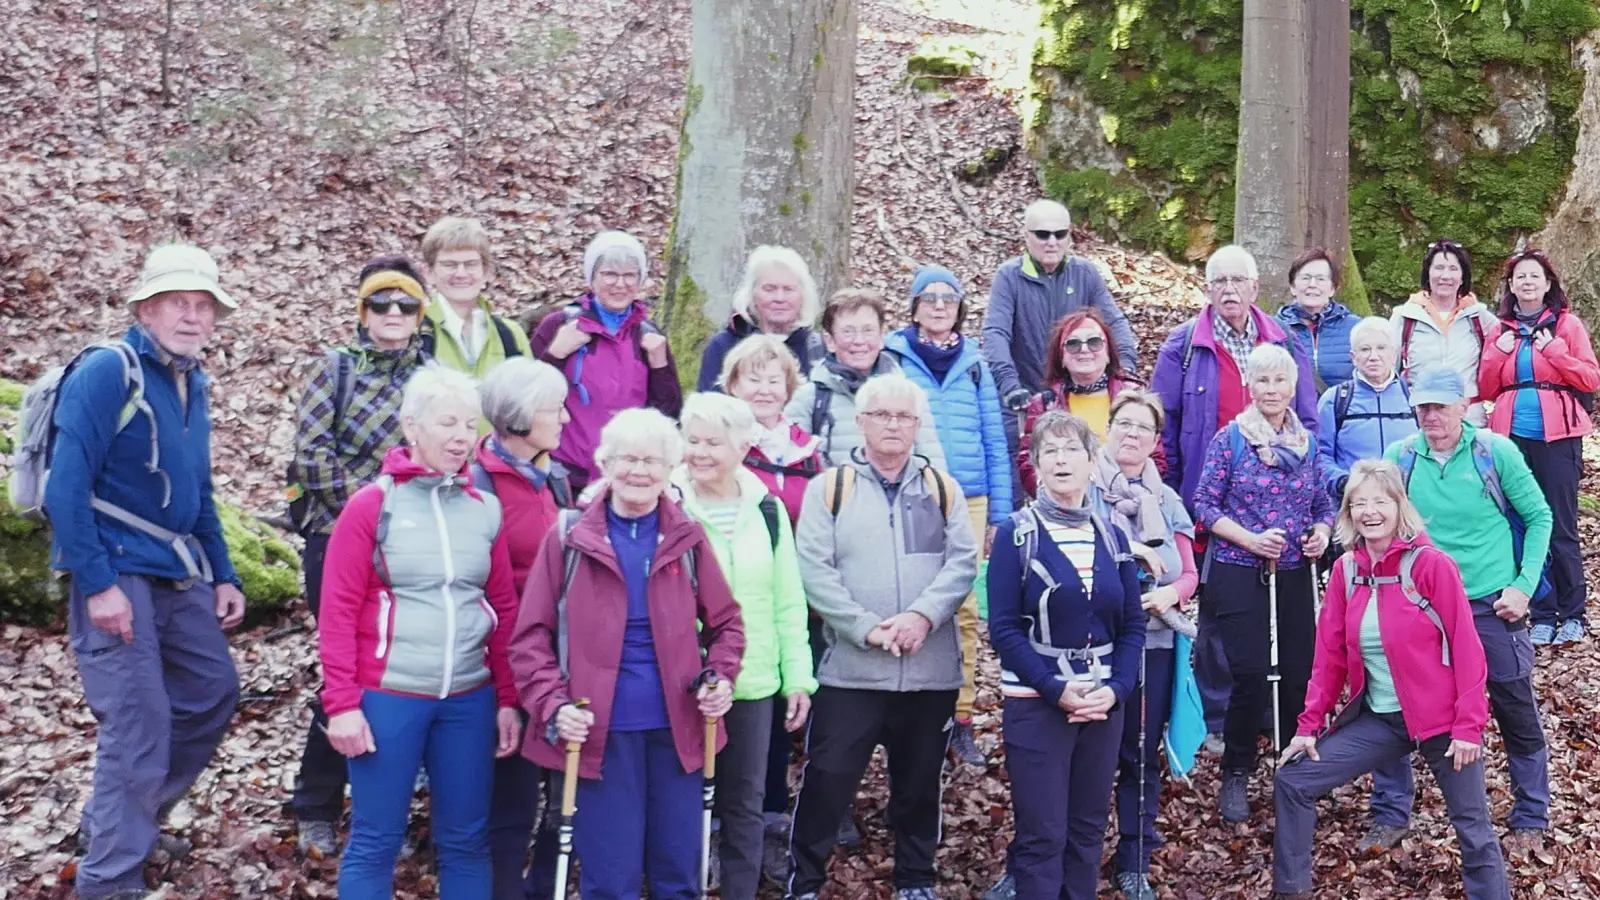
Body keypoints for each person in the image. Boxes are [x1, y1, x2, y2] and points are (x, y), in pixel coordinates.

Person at [47, 243, 246, 900]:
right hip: (116, 568)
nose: (192, 317)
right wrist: (98, 584)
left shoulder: (193, 380)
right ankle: (108, 883)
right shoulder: (110, 371)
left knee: (213, 691)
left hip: (177, 571)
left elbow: (200, 489)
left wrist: (224, 573)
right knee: (139, 725)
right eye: (177, 304)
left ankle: (120, 820)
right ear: (145, 308)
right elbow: (66, 487)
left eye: (202, 306)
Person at [509, 407, 746, 900]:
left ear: (669, 468)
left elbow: (727, 624)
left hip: (680, 734)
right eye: (628, 459)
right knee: (610, 882)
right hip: (598, 737)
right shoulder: (569, 537)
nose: (639, 471)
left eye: (652, 461)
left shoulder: (688, 538)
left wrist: (720, 677)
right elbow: (530, 638)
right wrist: (553, 706)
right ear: (604, 464)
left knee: (678, 878)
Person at [316, 365, 524, 899]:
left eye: (469, 424)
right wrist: (341, 705)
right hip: (388, 697)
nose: (461, 436)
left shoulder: (485, 509)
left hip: (469, 700)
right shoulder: (372, 507)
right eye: (447, 422)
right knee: (374, 840)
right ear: (412, 427)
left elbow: (500, 606)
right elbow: (337, 611)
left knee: (466, 841)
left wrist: (507, 698)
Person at [1271, 460, 1508, 900]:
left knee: (1473, 826)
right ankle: (1291, 891)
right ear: (1347, 513)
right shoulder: (1346, 571)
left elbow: (1467, 649)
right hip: (1382, 719)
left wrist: (1469, 726)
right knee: (1293, 780)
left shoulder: (1432, 565)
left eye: (1380, 500)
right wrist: (1308, 728)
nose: (1369, 511)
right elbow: (1329, 658)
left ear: (1400, 506)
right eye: (1358, 503)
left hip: (1442, 722)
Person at [789, 372, 978, 900]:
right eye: (882, 415)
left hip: (929, 671)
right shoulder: (831, 488)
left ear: (918, 425)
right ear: (862, 421)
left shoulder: (942, 489)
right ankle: (804, 881)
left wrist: (922, 617)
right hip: (851, 671)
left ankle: (915, 881)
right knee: (827, 780)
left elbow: (962, 563)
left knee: (919, 787)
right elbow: (815, 571)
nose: (893, 425)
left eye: (904, 416)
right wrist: (865, 629)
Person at [1368, 365, 1553, 856]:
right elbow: (1380, 522)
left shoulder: (1496, 453)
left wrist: (1523, 587)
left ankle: (1531, 814)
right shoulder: (1400, 458)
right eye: (1422, 407)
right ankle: (1390, 812)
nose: (1431, 416)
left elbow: (1539, 516)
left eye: (1440, 407)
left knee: (1514, 706)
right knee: (1396, 703)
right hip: (1422, 606)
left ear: (1463, 407)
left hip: (1491, 603)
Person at [1150, 244, 1318, 754]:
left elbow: (1308, 416)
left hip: (1284, 508)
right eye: (1218, 281)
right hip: (1214, 504)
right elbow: (1166, 428)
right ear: (1207, 288)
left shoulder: (1281, 339)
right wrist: (1174, 499)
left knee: (1283, 622)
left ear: (1254, 288)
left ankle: (1273, 714)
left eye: (1237, 281)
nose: (1228, 290)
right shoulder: (1183, 346)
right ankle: (1221, 716)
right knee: (1222, 615)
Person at [288, 254, 431, 855]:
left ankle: (381, 806)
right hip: (336, 537)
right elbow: (312, 456)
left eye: (404, 304)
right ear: (363, 312)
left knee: (394, 674)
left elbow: (447, 443)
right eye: (381, 303)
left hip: (413, 544)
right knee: (345, 668)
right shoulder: (334, 371)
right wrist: (379, 503)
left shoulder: (431, 374)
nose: (392, 314)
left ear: (420, 314)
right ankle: (315, 800)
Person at [986, 410, 1144, 900]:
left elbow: (1134, 626)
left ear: (1093, 463)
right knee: (1042, 836)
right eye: (1049, 451)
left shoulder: (1113, 536)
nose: (1060, 460)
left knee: (1087, 831)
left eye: (1071, 449)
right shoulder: (1016, 536)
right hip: (1037, 705)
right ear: (1034, 464)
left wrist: (1117, 691)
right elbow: (1004, 629)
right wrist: (1055, 689)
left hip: (1102, 706)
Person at [669, 393, 817, 900]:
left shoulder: (768, 510)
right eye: (693, 440)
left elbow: (788, 601)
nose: (702, 452)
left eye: (714, 441)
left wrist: (798, 677)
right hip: (678, 682)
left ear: (742, 446)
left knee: (743, 804)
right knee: (680, 802)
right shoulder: (667, 506)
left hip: (752, 681)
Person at [1191, 343, 1332, 823]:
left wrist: (1321, 533)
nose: (1272, 390)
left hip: (1295, 570)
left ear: (1294, 387)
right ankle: (1237, 769)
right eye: (1264, 381)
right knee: (1248, 673)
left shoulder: (1307, 444)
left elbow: (1321, 507)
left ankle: (1296, 770)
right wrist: (1251, 539)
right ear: (1251, 386)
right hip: (1238, 566)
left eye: (1281, 381)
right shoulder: (1231, 440)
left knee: (1298, 672)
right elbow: (1205, 507)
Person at [883, 264, 1010, 767]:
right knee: (913, 596)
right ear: (913, 305)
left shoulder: (975, 363)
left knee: (964, 608)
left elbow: (994, 439)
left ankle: (959, 718)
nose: (939, 306)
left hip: (972, 498)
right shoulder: (893, 358)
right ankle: (906, 714)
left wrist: (1000, 512)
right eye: (929, 297)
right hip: (912, 492)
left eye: (949, 298)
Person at [474, 357, 576, 900]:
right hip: (499, 667)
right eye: (550, 408)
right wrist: (508, 690)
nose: (563, 417)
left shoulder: (553, 478)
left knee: (563, 804)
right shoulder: (480, 481)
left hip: (554, 664)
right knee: (509, 805)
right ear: (516, 417)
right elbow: (490, 593)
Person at [1096, 392, 1198, 900]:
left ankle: (1134, 859)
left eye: (1144, 428)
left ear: (1157, 442)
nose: (1132, 434)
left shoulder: (1168, 500)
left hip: (1153, 643)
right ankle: (1070, 851)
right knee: (1088, 754)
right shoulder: (1083, 488)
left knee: (1139, 752)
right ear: (1108, 428)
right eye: (1124, 424)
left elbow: (1190, 573)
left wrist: (1168, 593)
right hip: (1092, 646)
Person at [1478, 248, 1599, 645]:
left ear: (1548, 284)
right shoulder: (1501, 330)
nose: (1526, 283)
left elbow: (1589, 378)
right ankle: (1541, 609)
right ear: (1511, 287)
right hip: (1512, 439)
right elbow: (1486, 387)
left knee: (1560, 522)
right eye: (1519, 277)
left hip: (1559, 436)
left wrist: (1554, 352)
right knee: (1523, 521)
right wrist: (1499, 354)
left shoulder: (1567, 326)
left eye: (1534, 276)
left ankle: (1573, 610)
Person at [529, 230, 685, 492]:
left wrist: (660, 368)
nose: (620, 284)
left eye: (629, 275)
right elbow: (523, 396)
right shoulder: (559, 325)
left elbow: (668, 413)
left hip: (627, 476)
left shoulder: (648, 334)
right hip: (565, 474)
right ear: (591, 278)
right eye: (610, 274)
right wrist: (554, 354)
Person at [982, 199, 1138, 410]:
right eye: (1043, 234)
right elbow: (996, 332)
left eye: (1060, 234)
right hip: (1025, 395)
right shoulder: (1009, 276)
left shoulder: (1084, 273)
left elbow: (1114, 322)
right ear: (1026, 235)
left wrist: (1126, 370)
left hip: (1077, 396)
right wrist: (1009, 384)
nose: (1052, 242)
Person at [783, 288, 944, 468]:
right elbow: (793, 471)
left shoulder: (911, 397)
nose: (859, 341)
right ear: (829, 341)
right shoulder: (809, 399)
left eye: (868, 331)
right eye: (848, 332)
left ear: (882, 336)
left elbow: (933, 467)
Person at [1016, 308, 1162, 498]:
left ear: (1109, 353)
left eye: (1094, 342)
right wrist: (1059, 495)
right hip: (1066, 507)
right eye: (1073, 344)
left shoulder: (1135, 397)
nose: (1084, 349)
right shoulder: (1045, 404)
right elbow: (1028, 463)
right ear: (1062, 358)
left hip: (1129, 504)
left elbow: (1157, 457)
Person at [1390, 238, 1497, 426]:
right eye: (1439, 268)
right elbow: (1389, 369)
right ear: (1427, 273)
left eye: (1453, 269)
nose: (1445, 276)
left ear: (1463, 277)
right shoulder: (1405, 316)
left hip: (1468, 419)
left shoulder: (1479, 316)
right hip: (1419, 419)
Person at [719, 334, 825, 523]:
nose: (765, 390)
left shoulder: (806, 449)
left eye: (774, 381)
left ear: (787, 390)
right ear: (734, 385)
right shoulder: (720, 443)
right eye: (754, 380)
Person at [1315, 316, 1418, 503]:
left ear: (1394, 354)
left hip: (1406, 504)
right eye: (1365, 349)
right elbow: (1319, 455)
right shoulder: (1335, 399)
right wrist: (1344, 482)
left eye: (1381, 348)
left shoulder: (1414, 399)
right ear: (1353, 357)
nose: (1373, 356)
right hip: (1352, 505)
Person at [418, 216, 534, 376]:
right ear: (428, 273)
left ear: (486, 272)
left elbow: (530, 395)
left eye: (471, 264)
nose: (461, 274)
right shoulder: (413, 334)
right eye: (449, 265)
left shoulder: (511, 334)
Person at [698, 245, 825, 390]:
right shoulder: (724, 345)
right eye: (769, 289)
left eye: (789, 289)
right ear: (752, 294)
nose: (779, 298)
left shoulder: (818, 349)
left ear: (803, 296)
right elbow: (707, 407)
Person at [1274, 247, 1358, 393]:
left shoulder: (1356, 329)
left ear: (1332, 288)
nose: (1312, 284)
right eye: (1305, 278)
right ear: (1293, 287)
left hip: (1341, 413)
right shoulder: (1274, 330)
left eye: (1320, 279)